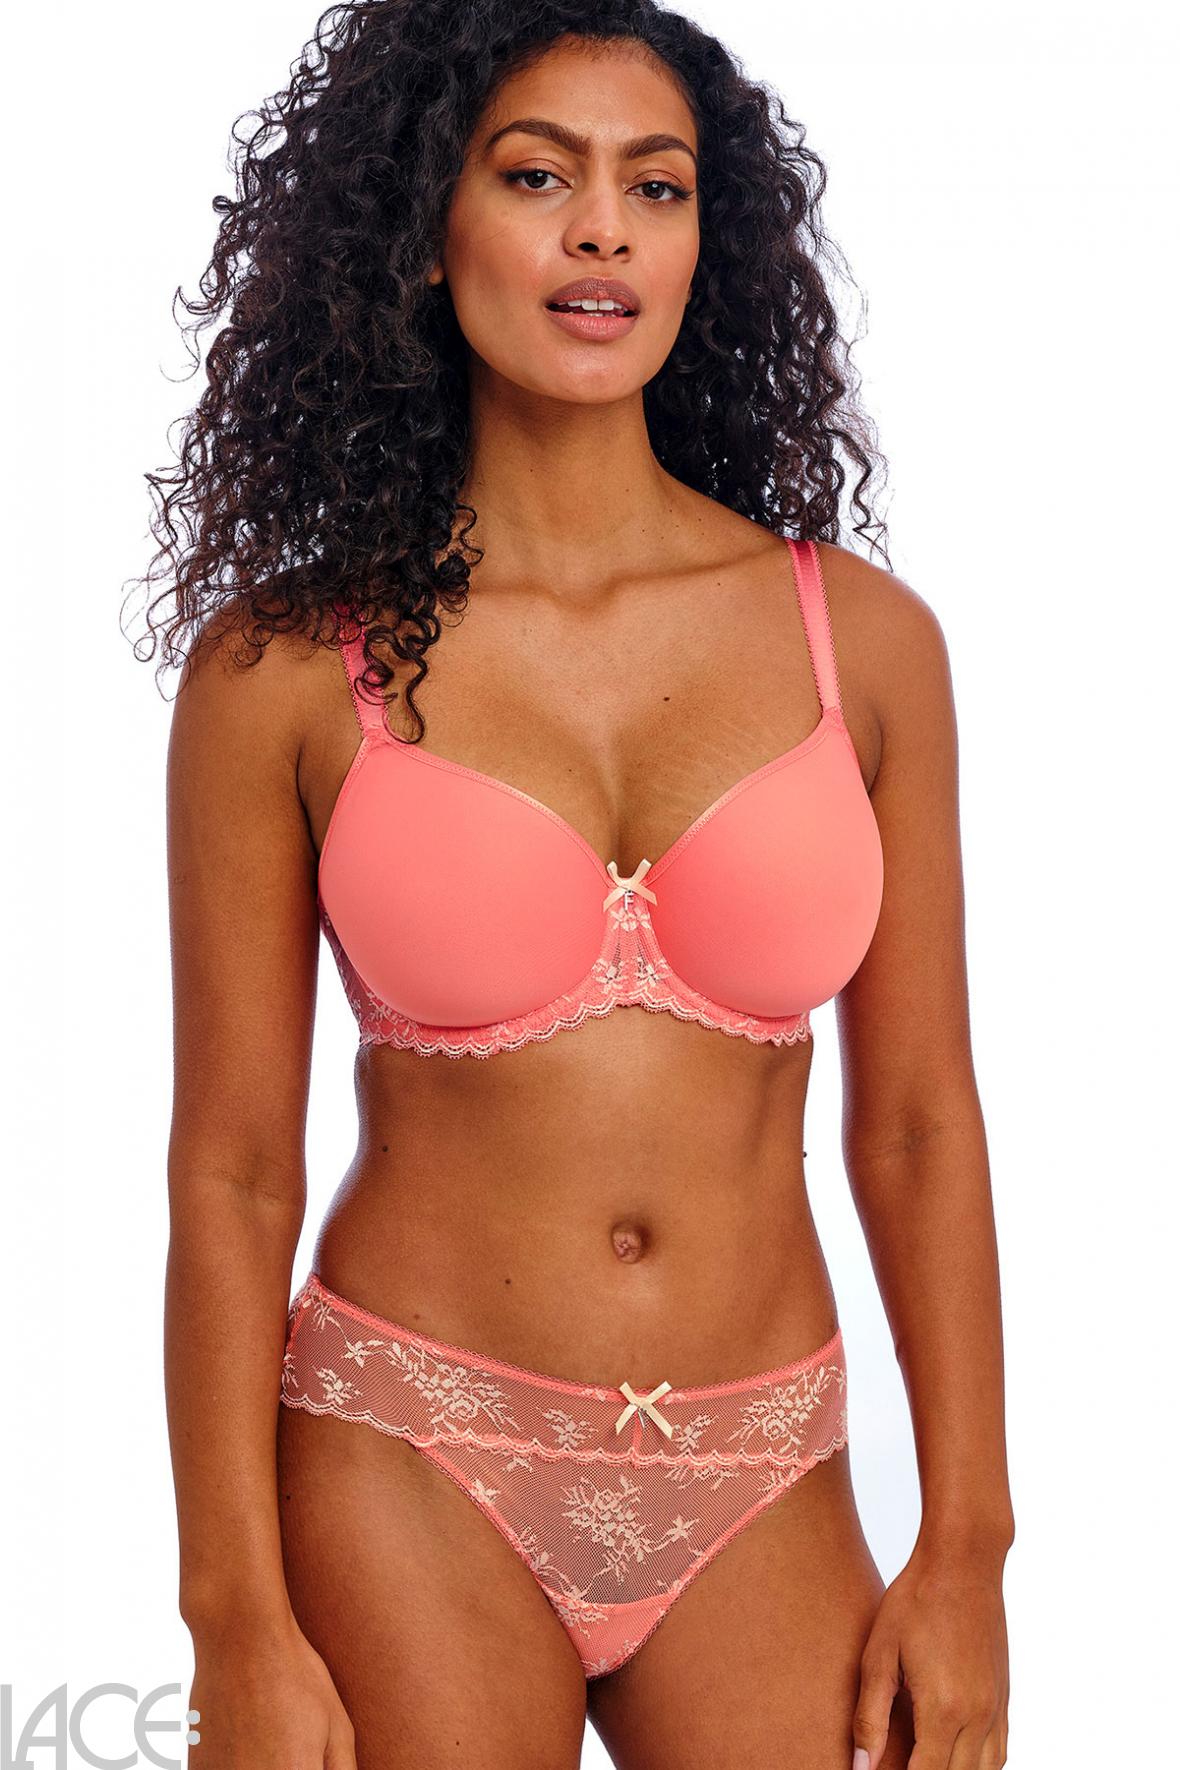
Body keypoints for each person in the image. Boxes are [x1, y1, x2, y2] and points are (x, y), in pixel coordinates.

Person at [146, 2, 1014, 1764]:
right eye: (538, 177)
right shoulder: (286, 668)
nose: (603, 230)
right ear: (425, 229)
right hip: (411, 1446)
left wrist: (969, 1548)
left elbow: (921, 1122)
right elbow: (234, 1169)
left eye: (656, 186)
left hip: (763, 1464)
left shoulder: (863, 645)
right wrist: (231, 1613)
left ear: (708, 242)